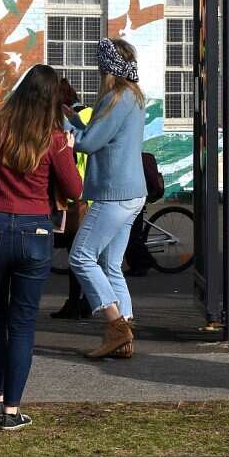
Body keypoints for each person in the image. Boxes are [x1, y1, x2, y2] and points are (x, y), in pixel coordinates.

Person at [0, 64, 82, 431]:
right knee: (23, 322)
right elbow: (76, 191)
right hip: (35, 231)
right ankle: (13, 409)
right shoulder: (55, 138)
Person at [65, 38, 147, 360]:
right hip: (132, 194)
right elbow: (96, 134)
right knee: (111, 264)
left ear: (106, 67)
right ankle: (124, 335)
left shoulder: (116, 97)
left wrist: (62, 122)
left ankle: (116, 327)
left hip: (115, 194)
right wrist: (72, 116)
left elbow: (88, 143)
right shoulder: (134, 96)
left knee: (81, 257)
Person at [51, 78, 92, 320]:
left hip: (78, 197)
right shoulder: (91, 113)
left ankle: (77, 304)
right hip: (93, 194)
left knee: (76, 254)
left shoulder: (67, 122)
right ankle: (83, 302)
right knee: (84, 254)